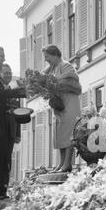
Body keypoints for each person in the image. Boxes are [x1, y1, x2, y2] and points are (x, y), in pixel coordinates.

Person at [0, 46, 25, 199]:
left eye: (10, 73)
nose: (8, 76)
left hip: (11, 130)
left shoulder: (14, 93)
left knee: (7, 161)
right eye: (5, 73)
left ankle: (3, 189)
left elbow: (19, 114)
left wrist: (17, 133)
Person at [43, 44, 82, 172]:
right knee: (59, 133)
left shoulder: (66, 65)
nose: (46, 60)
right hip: (60, 104)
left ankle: (67, 164)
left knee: (68, 132)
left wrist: (53, 84)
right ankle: (61, 163)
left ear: (55, 55)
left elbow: (72, 82)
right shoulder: (53, 68)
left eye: (47, 56)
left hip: (69, 103)